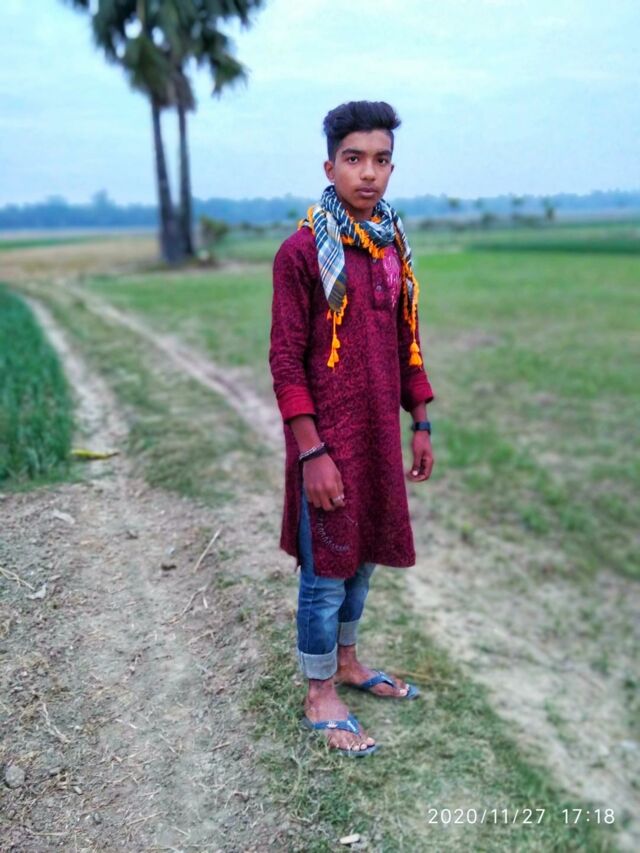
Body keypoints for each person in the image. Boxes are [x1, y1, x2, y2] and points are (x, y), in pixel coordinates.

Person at [268, 100, 435, 757]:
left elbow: (406, 341)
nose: (369, 173)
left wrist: (420, 419)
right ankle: (319, 692)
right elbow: (285, 361)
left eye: (381, 159)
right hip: (328, 446)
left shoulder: (392, 249)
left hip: (377, 441)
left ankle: (347, 662)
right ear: (329, 166)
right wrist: (311, 451)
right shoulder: (302, 253)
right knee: (325, 571)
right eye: (354, 158)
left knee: (362, 557)